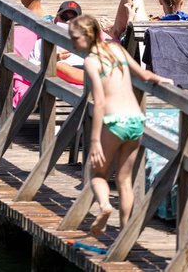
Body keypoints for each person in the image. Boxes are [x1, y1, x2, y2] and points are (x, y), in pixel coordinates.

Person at [71, 14, 173, 237]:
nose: (72, 42)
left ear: (87, 37)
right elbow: (144, 74)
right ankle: (125, 235)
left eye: (75, 38)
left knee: (97, 175)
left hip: (114, 121)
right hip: (136, 121)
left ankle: (106, 206)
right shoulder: (117, 49)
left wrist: (95, 140)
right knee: (124, 180)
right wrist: (161, 80)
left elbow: (98, 101)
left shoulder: (91, 61)